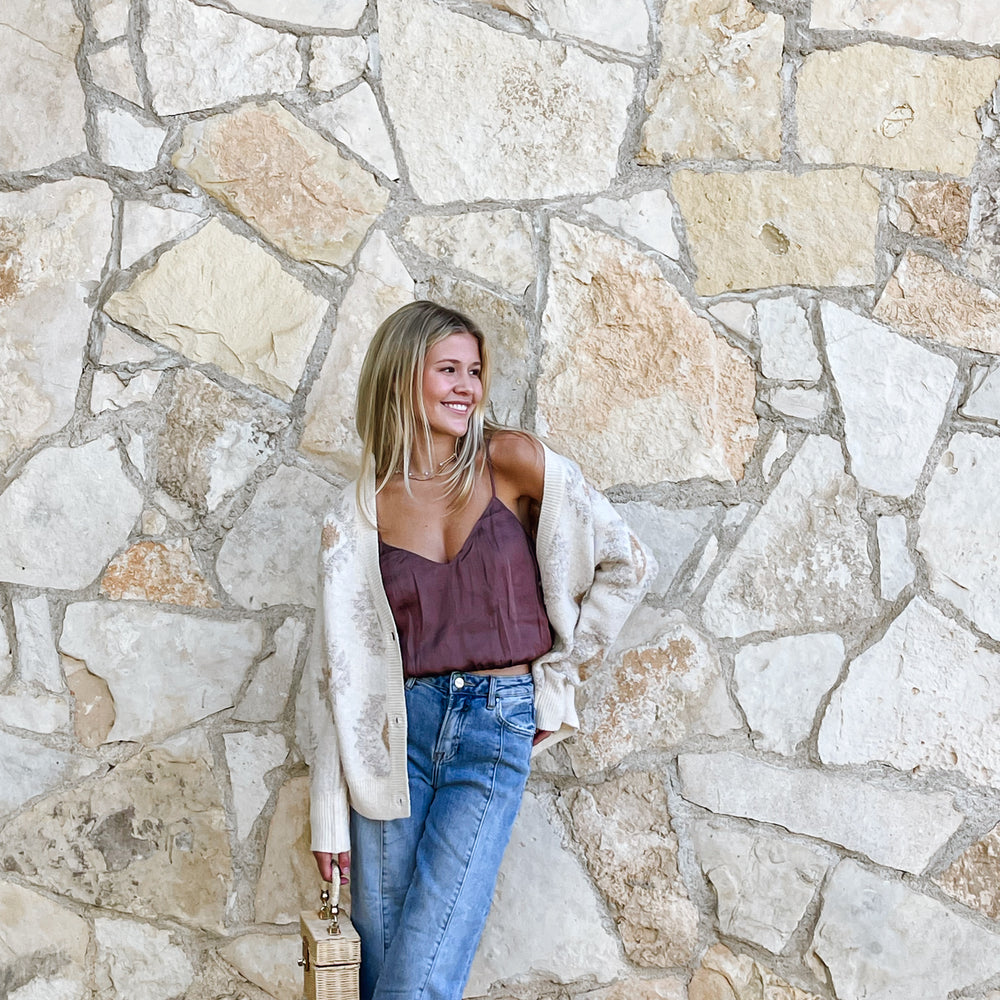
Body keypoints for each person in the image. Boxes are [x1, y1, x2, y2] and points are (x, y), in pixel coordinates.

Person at [300, 300, 654, 1000]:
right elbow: (332, 677)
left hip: (494, 730)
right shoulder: (356, 512)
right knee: (380, 975)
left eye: (475, 371)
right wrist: (326, 815)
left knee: (417, 981)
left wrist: (558, 682)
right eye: (448, 369)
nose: (467, 385)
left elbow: (628, 563)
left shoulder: (511, 461)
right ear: (402, 376)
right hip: (390, 740)